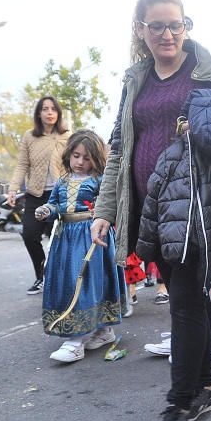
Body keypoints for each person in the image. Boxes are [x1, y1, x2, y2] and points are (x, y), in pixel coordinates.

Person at [90, 0, 211, 421]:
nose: (168, 34)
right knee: (187, 298)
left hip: (199, 205)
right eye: (157, 26)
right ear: (141, 30)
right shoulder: (135, 79)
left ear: (187, 26)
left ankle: (178, 403)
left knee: (186, 300)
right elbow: (118, 150)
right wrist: (105, 210)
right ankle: (206, 386)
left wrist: (205, 120)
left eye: (176, 24)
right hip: (151, 208)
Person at [37, 130, 124, 362]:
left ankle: (77, 340)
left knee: (87, 281)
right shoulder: (62, 181)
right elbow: (55, 204)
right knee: (68, 280)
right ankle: (101, 331)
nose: (80, 162)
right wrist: (46, 210)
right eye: (76, 156)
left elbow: (111, 204)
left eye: (86, 158)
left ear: (96, 159)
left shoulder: (99, 181)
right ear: (69, 155)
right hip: (64, 238)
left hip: (91, 237)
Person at [8, 96, 70, 294]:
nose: (49, 112)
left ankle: (59, 278)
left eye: (53, 109)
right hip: (35, 194)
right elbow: (22, 165)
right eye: (45, 109)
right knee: (30, 235)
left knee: (58, 240)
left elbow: (76, 163)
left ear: (58, 113)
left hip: (59, 196)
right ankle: (41, 275)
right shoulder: (29, 137)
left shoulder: (67, 136)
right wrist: (12, 189)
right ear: (39, 113)